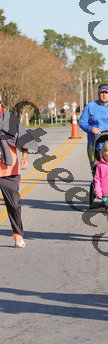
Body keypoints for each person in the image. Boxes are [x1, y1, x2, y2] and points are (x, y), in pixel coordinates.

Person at [0, 97, 39, 248]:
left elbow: (23, 138)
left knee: (14, 205)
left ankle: (18, 234)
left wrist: (25, 158)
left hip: (9, 169)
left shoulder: (10, 119)